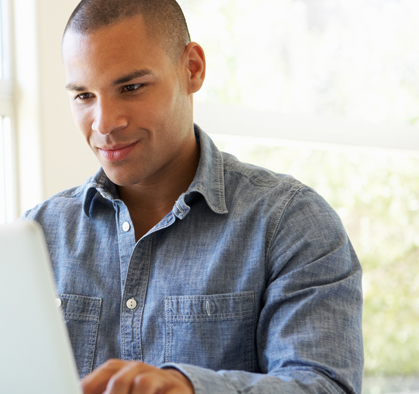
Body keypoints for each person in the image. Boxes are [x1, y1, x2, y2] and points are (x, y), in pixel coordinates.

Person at [22, 0, 364, 393]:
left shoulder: (291, 223)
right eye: (83, 96)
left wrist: (188, 387)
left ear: (192, 69)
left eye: (131, 87)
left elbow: (322, 386)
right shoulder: (37, 234)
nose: (104, 123)